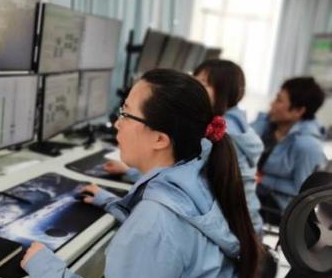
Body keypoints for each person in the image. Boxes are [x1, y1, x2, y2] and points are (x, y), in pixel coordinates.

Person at [15, 69, 261, 278]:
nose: (117, 123)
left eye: (127, 114)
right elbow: (172, 238)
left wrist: (46, 268)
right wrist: (114, 204)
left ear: (160, 138)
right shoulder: (198, 171)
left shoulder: (158, 220)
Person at [104, 61, 265, 236]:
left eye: (203, 82)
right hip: (243, 227)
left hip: (239, 230)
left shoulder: (225, 134)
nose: (194, 83)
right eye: (194, 77)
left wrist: (127, 176)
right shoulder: (227, 126)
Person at [193, 60, 264, 236]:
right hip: (247, 225)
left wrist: (133, 170)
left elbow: (189, 173)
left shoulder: (223, 131)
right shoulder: (235, 120)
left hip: (234, 232)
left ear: (223, 91)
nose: (193, 86)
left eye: (202, 83)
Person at [251, 77, 326, 218]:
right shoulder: (266, 124)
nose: (272, 103)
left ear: (298, 110)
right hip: (253, 194)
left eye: (279, 100)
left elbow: (302, 190)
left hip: (278, 210)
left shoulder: (308, 146)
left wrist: (263, 179)